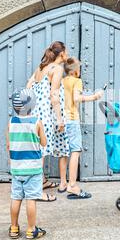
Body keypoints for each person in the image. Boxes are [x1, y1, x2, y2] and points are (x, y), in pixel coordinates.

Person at [26, 41, 70, 201]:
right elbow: (54, 95)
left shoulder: (41, 67)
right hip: (48, 115)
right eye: (67, 52)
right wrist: (59, 119)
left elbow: (29, 85)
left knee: (39, 149)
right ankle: (36, 191)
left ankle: (42, 181)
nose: (68, 55)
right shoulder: (56, 69)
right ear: (62, 54)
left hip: (37, 113)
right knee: (42, 152)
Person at [7, 88, 47, 240]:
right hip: (34, 169)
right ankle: (31, 230)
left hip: (17, 168)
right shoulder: (36, 122)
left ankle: (14, 228)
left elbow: (8, 145)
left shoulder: (11, 122)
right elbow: (43, 142)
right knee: (31, 199)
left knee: (16, 198)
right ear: (32, 105)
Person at [62, 57, 104, 199]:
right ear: (75, 71)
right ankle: (72, 185)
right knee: (76, 150)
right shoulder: (77, 81)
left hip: (63, 119)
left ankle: (64, 183)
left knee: (64, 151)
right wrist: (95, 96)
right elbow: (76, 98)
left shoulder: (63, 81)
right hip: (72, 119)